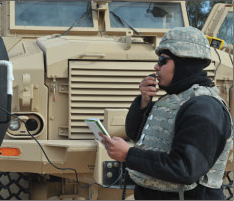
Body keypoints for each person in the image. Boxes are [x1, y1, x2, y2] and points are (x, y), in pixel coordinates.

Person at [99, 26, 233, 200]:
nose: (156, 66)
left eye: (163, 60)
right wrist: (144, 101)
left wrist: (128, 155)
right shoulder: (175, 99)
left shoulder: (204, 107)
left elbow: (185, 168)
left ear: (185, 64)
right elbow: (135, 134)